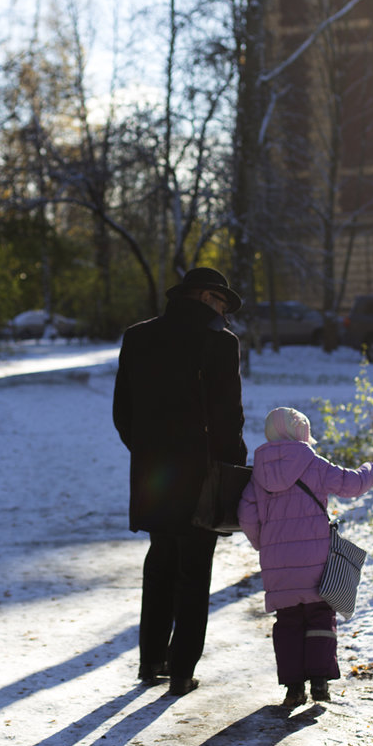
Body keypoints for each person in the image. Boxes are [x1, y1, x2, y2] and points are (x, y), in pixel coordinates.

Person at [113, 267, 247, 697]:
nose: (224, 313)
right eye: (221, 303)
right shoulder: (219, 343)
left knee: (160, 563)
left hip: (154, 474)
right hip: (202, 474)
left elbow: (123, 412)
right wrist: (232, 470)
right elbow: (229, 417)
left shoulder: (138, 337)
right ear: (205, 296)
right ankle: (182, 669)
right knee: (194, 570)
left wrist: (148, 452)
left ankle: (150, 660)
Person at [237, 406, 373, 708]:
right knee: (319, 617)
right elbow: (350, 484)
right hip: (316, 560)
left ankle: (293, 689)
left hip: (277, 564)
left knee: (287, 622)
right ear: (302, 433)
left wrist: (263, 543)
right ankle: (319, 683)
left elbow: (246, 514)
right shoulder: (312, 463)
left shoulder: (259, 472)